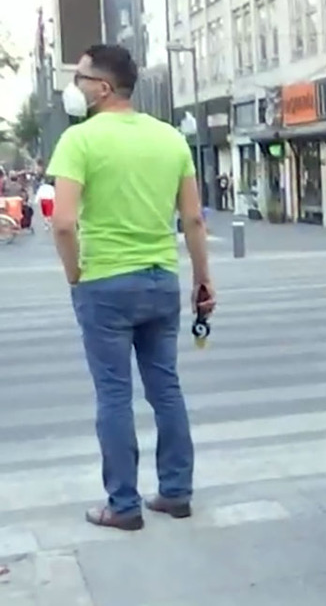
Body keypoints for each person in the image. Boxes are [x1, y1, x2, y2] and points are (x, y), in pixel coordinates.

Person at [47, 43, 213, 529]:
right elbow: (194, 219)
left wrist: (75, 275)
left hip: (105, 284)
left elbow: (62, 223)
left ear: (102, 87)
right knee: (167, 389)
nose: (74, 87)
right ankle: (176, 493)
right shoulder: (170, 140)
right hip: (162, 280)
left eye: (80, 77)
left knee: (114, 396)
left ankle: (123, 506)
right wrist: (204, 281)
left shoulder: (79, 141)